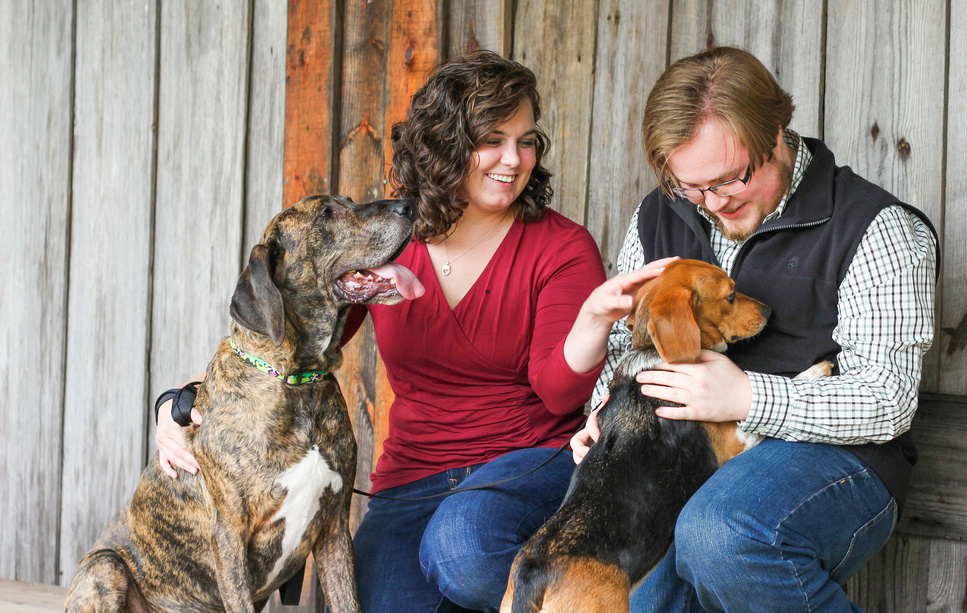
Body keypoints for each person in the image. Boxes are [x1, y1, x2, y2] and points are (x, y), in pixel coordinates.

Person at [154, 50, 667, 613]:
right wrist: (180, 403)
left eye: (526, 140)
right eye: (492, 139)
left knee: (462, 550)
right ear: (445, 145)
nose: (512, 159)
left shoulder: (560, 246)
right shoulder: (388, 245)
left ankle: (625, 587)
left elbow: (558, 390)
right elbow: (285, 341)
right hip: (410, 480)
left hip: (530, 467)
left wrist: (593, 319)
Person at [571, 46, 939, 612]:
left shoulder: (877, 227)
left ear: (776, 132)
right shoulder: (658, 213)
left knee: (721, 533)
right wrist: (603, 421)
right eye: (692, 188)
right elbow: (627, 345)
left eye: (730, 179)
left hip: (837, 459)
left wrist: (745, 397)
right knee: (628, 587)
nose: (713, 204)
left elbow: (886, 401)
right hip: (683, 456)